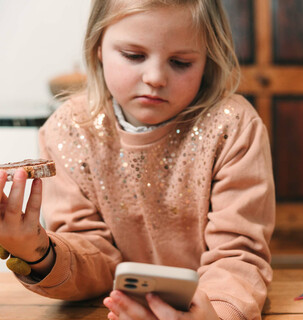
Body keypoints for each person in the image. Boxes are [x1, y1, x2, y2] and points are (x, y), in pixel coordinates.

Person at [0, 0, 275, 319]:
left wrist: (218, 313)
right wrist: (36, 251)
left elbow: (239, 255)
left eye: (181, 62)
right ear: (98, 46)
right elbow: (91, 256)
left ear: (208, 59)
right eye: (134, 56)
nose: (156, 77)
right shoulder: (67, 130)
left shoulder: (234, 126)